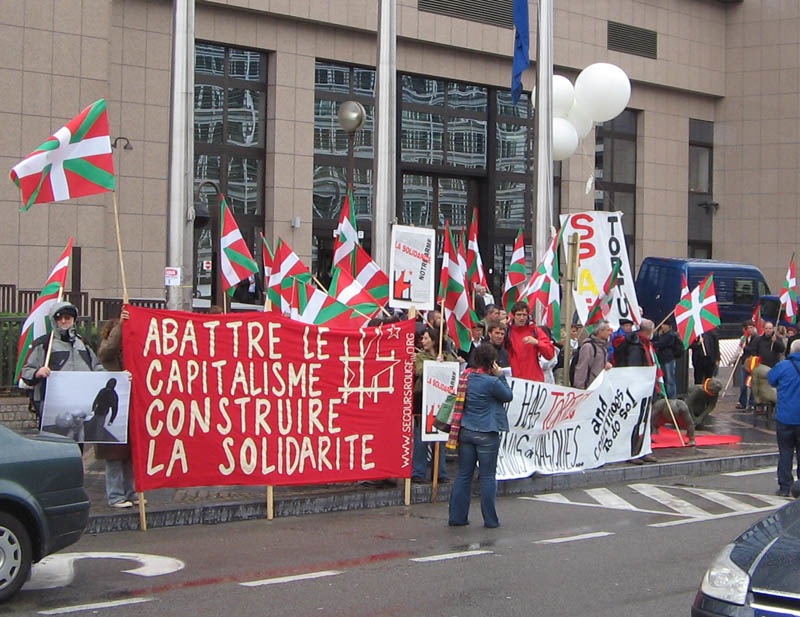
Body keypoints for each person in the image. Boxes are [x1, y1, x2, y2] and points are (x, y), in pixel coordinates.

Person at [448, 344, 513, 528]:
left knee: (463, 475)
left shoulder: (466, 376)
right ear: (492, 362)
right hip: (487, 431)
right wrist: (501, 376)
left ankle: (457, 517)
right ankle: (490, 520)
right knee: (487, 477)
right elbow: (507, 396)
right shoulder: (491, 382)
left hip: (466, 429)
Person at [21, 302, 102, 424]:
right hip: (52, 406)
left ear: (74, 320)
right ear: (54, 320)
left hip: (80, 404)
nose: (63, 321)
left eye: (67, 318)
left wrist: (119, 377)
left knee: (77, 440)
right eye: (59, 318)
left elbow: (97, 368)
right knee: (54, 441)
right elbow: (27, 371)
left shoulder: (83, 343)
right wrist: (38, 372)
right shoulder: (44, 344)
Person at [96, 312, 138, 508]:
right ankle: (115, 496)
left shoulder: (132, 354)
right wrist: (121, 324)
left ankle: (132, 493)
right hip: (110, 418)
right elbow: (109, 349)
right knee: (113, 457)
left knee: (130, 455)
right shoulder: (107, 357)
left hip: (130, 413)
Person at [413, 327, 457, 483]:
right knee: (420, 437)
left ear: (434, 340)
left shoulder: (448, 357)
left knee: (440, 437)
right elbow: (419, 371)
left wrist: (443, 363)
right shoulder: (420, 356)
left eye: (426, 338)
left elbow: (453, 370)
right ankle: (418, 472)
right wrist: (434, 365)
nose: (423, 341)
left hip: (442, 400)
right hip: (423, 400)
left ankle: (440, 473)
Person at [613, 318, 658, 464]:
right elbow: (635, 368)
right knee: (635, 421)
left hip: (646, 388)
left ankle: (643, 449)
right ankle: (632, 452)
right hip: (638, 389)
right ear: (648, 331)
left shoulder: (645, 344)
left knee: (645, 420)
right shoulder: (635, 345)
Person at [767, 339, 800, 497]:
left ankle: (785, 487)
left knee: (785, 452)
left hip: (786, 416)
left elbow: (771, 379)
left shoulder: (783, 366)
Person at [504, 301, 555, 382]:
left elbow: (550, 354)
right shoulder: (506, 331)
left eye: (524, 315)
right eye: (519, 314)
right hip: (513, 379)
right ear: (513, 316)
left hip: (534, 379)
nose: (522, 318)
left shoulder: (535, 331)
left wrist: (537, 342)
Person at [572, 321, 613, 389]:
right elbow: (581, 368)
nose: (610, 333)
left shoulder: (603, 347)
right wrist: (580, 389)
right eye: (608, 330)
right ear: (600, 331)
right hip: (589, 388)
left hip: (599, 387)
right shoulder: (588, 347)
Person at [653, 320, 682, 399]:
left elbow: (661, 344)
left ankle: (672, 397)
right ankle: (665, 396)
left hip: (668, 359)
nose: (662, 326)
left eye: (664, 325)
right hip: (662, 359)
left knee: (670, 380)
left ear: (668, 326)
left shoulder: (670, 335)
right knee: (664, 379)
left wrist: (653, 343)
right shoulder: (662, 335)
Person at [85, 377, 119, 441]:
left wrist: (111, 420)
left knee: (99, 430)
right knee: (90, 426)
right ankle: (88, 437)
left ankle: (98, 441)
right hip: (97, 412)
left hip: (103, 414)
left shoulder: (113, 395)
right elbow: (96, 400)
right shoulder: (103, 390)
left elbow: (115, 409)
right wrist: (93, 409)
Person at [737, 320, 757, 409]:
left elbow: (754, 350)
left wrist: (746, 347)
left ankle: (752, 403)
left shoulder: (757, 338)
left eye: (751, 328)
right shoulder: (744, 338)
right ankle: (743, 402)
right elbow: (740, 350)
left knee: (752, 384)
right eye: (748, 328)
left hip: (753, 363)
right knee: (743, 384)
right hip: (745, 363)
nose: (750, 330)